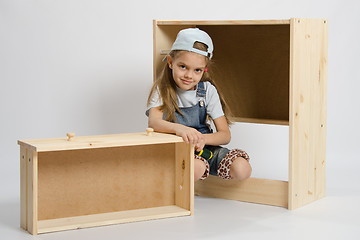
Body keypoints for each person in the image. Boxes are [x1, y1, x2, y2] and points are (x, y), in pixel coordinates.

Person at [146, 28, 251, 181]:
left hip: (205, 148)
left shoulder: (207, 90)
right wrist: (181, 130)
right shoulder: (161, 89)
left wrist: (202, 139)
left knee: (242, 169)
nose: (189, 75)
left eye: (197, 70)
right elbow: (153, 122)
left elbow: (225, 135)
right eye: (183, 67)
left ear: (204, 70)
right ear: (170, 62)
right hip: (176, 149)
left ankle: (201, 171)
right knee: (197, 167)